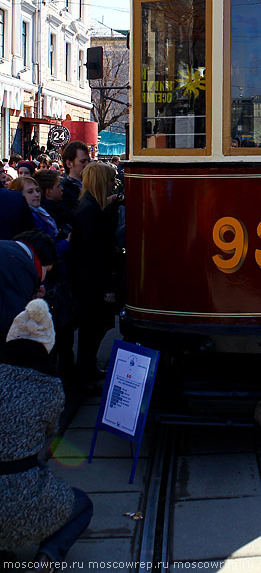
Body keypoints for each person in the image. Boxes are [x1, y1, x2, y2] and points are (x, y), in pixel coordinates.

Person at [0, 299, 93, 565]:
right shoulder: (51, 389)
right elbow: (48, 435)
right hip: (25, 498)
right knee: (81, 504)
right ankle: (46, 560)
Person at [68, 161, 121, 387]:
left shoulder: (89, 206)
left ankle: (87, 370)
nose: (113, 184)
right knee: (93, 329)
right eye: (110, 180)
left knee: (94, 329)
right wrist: (107, 286)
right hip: (92, 282)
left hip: (90, 280)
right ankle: (85, 374)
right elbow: (97, 252)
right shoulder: (90, 211)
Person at [0, 230, 57, 345]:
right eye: (47, 271)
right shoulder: (23, 268)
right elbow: (10, 321)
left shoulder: (5, 247)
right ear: (41, 261)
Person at [60, 141, 90, 222]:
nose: (87, 165)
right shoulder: (62, 189)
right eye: (83, 162)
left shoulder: (90, 186)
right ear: (69, 163)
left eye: (88, 161)